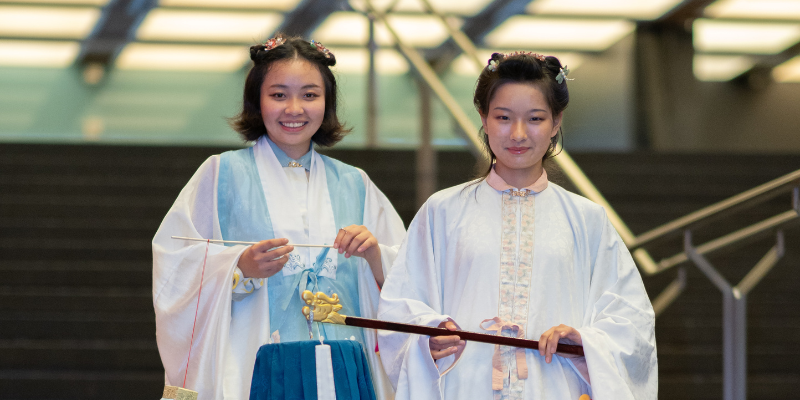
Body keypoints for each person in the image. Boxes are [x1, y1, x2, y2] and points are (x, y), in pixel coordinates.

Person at [377, 52, 657, 400]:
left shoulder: (588, 220)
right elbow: (400, 305)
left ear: (556, 122)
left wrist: (585, 342)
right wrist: (428, 336)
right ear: (484, 118)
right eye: (504, 117)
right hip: (464, 385)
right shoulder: (442, 212)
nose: (519, 133)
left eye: (536, 118)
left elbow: (632, 321)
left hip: (554, 386)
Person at [152, 36, 405, 400]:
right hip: (254, 362)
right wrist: (238, 266)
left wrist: (376, 254)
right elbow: (176, 263)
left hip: (347, 362)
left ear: (327, 102)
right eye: (279, 95)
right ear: (257, 100)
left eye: (309, 94)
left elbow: (411, 277)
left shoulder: (355, 182)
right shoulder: (221, 173)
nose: (294, 108)